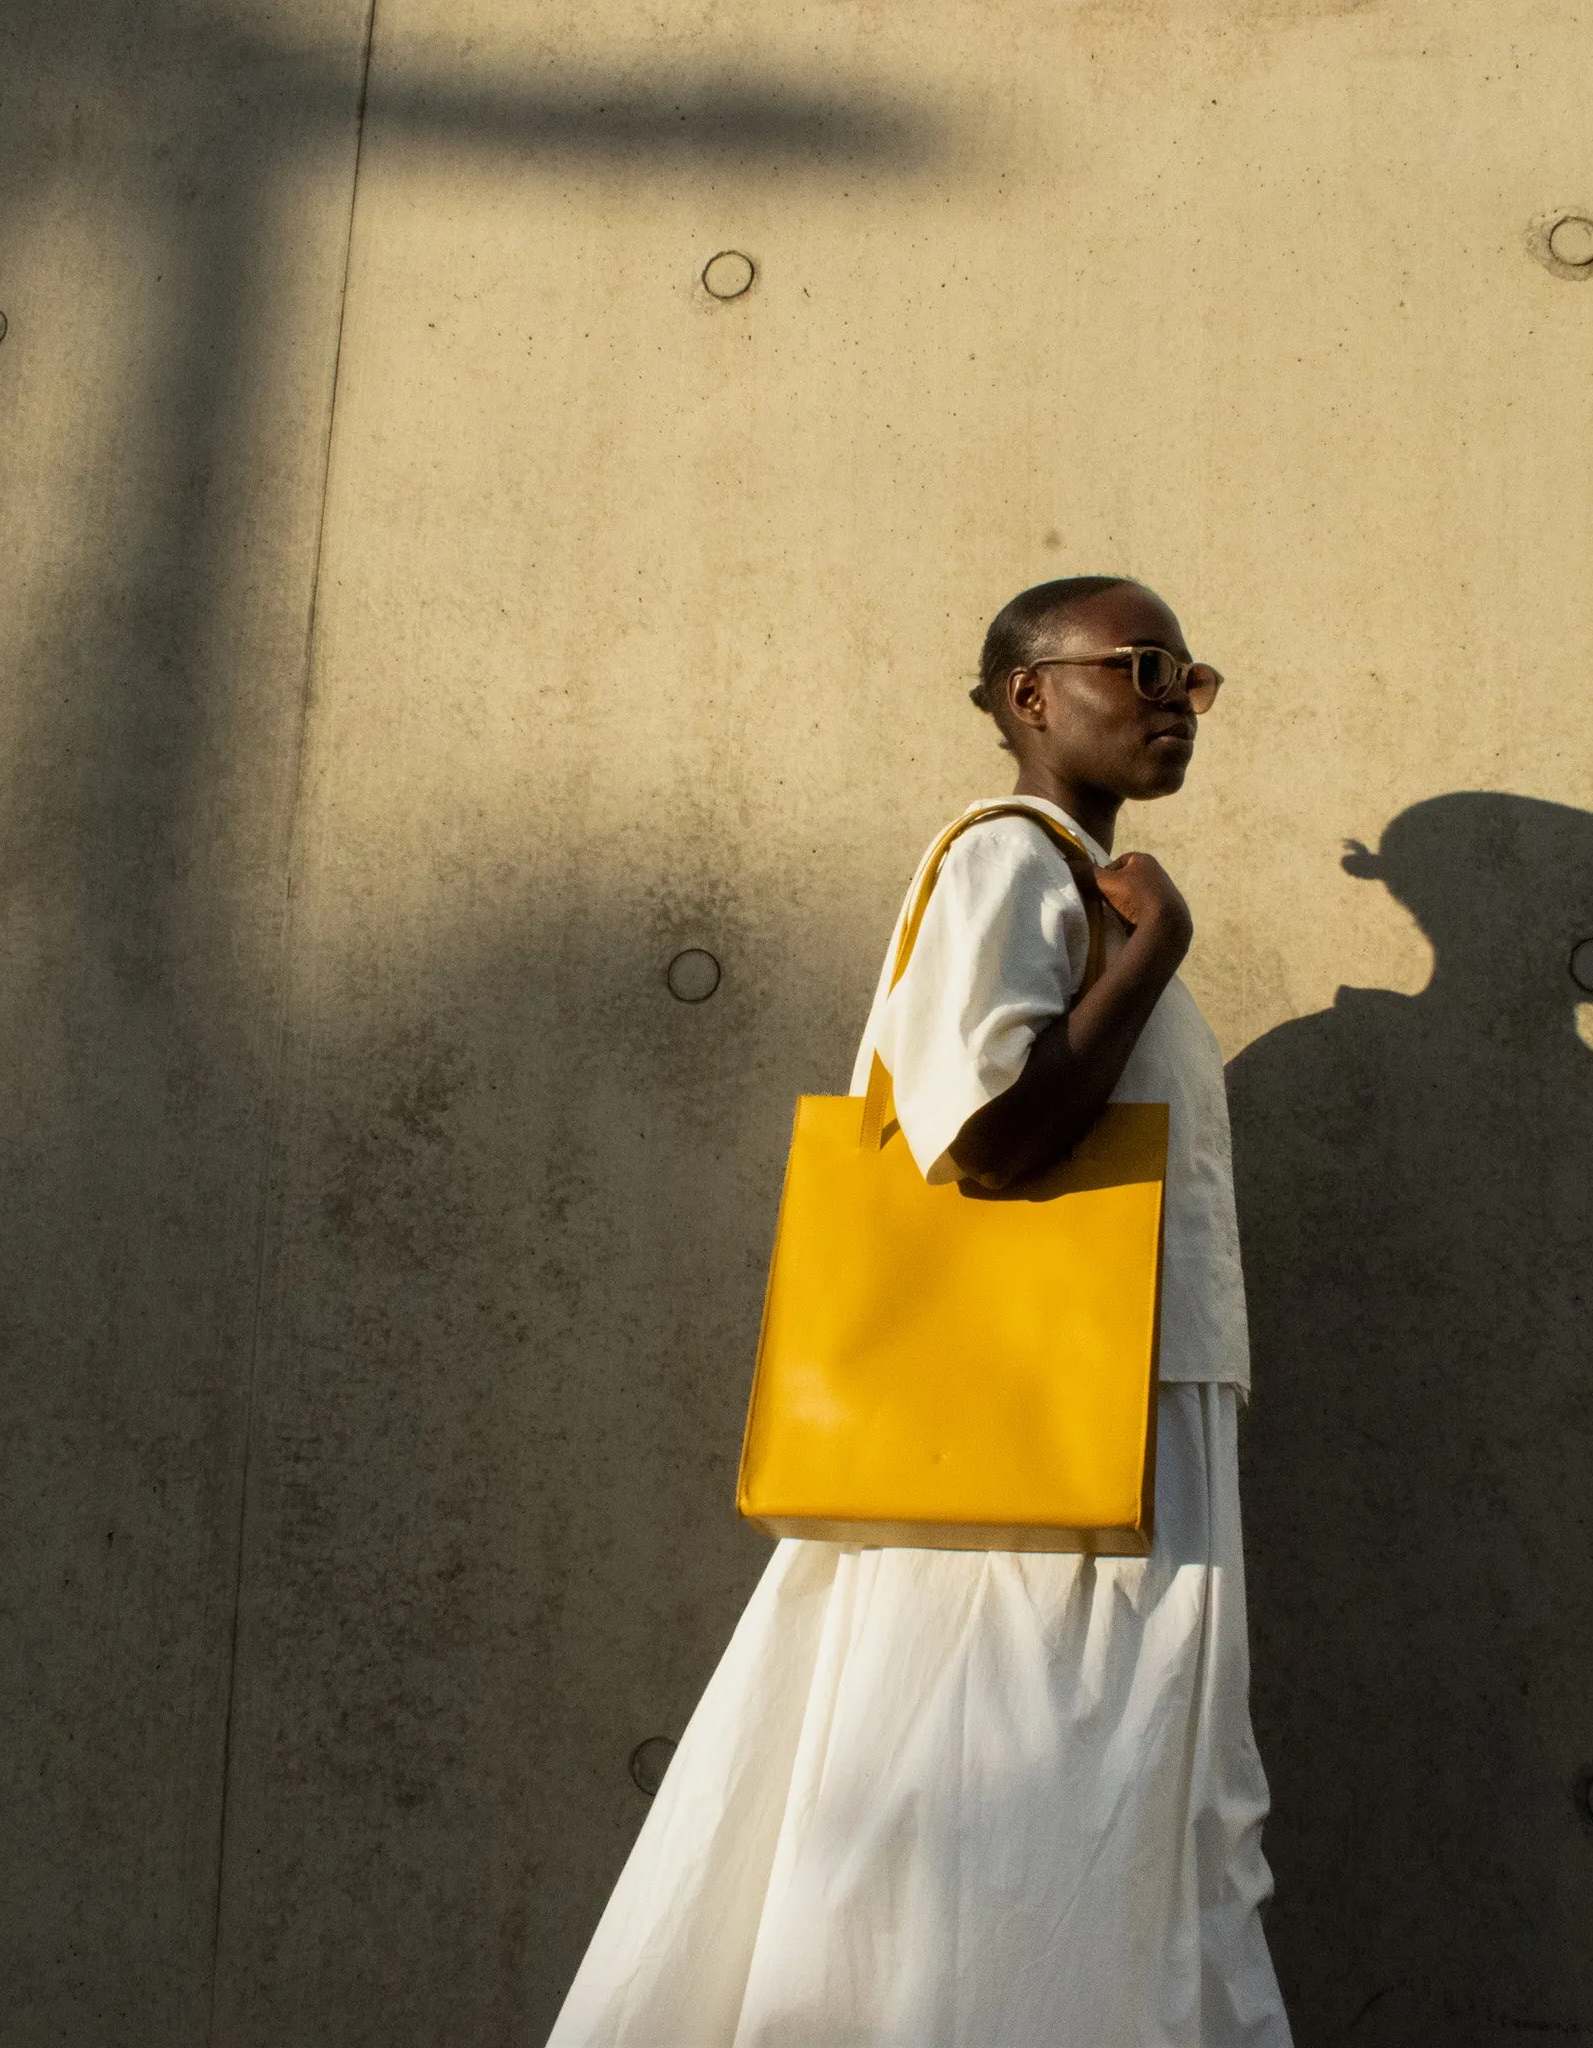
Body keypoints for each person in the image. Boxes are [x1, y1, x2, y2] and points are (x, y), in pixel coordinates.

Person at [547, 576, 1290, 2048]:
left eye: (1191, 678)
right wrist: (1151, 954)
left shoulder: (1068, 872)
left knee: (1084, 1819)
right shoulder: (1007, 863)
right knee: (1033, 1820)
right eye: (1142, 666)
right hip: (1045, 1453)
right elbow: (987, 1134)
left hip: (1112, 1426)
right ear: (1030, 695)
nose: (1171, 700)